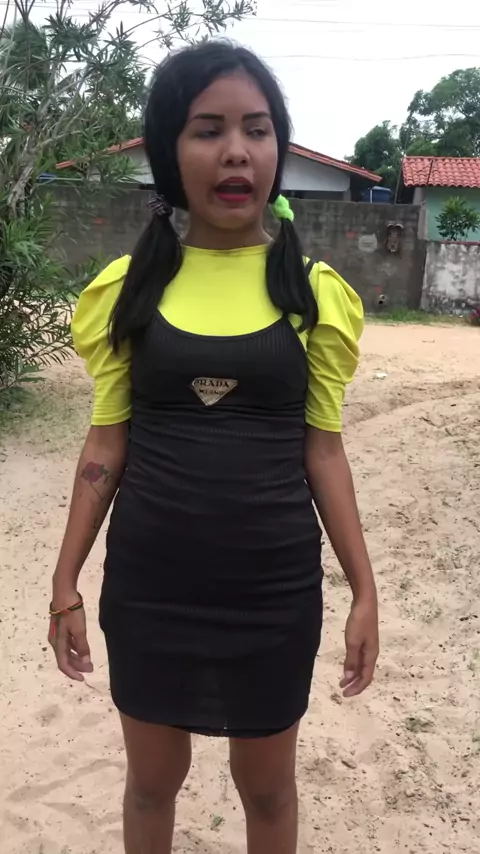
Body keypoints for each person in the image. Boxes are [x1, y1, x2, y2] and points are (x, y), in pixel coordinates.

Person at [49, 40, 379, 854]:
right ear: (171, 154)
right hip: (150, 591)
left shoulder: (313, 296)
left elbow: (325, 452)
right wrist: (65, 580)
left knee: (268, 793)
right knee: (149, 786)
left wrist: (364, 590)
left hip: (272, 595)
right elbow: (106, 443)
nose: (238, 150)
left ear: (277, 149)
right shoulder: (129, 291)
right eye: (209, 130)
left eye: (257, 129)